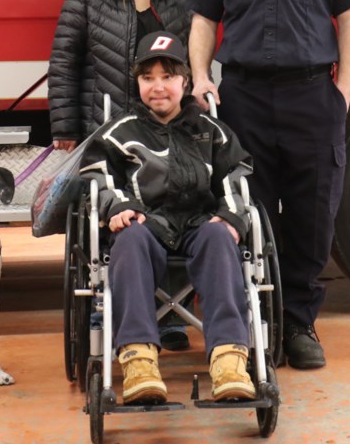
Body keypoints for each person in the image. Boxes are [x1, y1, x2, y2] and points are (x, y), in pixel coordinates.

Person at [188, 0, 350, 370]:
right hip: (243, 97)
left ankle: (299, 323)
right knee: (251, 212)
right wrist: (201, 75)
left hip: (313, 95)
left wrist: (343, 92)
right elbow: (203, 17)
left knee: (313, 215)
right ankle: (256, 321)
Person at [79, 32, 256, 405]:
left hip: (200, 224)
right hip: (147, 222)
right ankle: (139, 360)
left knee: (220, 238)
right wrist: (118, 207)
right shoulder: (118, 133)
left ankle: (229, 360)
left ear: (186, 82)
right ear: (137, 82)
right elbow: (97, 176)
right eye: (147, 78)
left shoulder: (213, 133)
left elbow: (236, 178)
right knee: (127, 240)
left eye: (168, 77)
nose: (158, 87)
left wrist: (229, 218)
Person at [48, 0, 193, 351]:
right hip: (106, 126)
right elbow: (63, 63)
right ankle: (119, 308)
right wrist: (66, 126)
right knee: (121, 215)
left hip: (165, 126)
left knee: (178, 204)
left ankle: (171, 318)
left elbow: (188, 62)